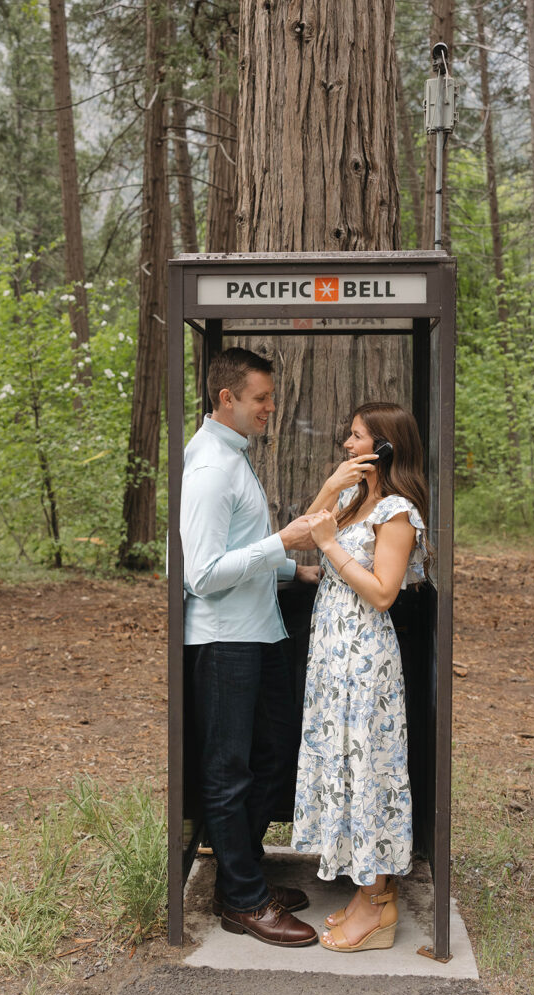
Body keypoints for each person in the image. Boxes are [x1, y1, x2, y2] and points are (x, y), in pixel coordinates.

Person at [181, 347, 320, 948]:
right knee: (228, 771)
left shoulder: (233, 457)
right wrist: (281, 543)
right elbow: (201, 574)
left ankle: (245, 874)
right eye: (260, 398)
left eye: (269, 396)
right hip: (225, 642)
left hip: (259, 633)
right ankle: (241, 898)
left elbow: (241, 547)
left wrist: (292, 569)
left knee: (272, 754)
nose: (270, 408)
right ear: (226, 399)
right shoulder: (211, 468)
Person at [292, 402, 428, 952]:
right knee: (344, 766)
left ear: (385, 446)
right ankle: (367, 893)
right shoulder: (354, 500)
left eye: (356, 438)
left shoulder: (396, 511)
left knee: (366, 767)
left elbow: (382, 592)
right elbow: (302, 534)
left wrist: (330, 546)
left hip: (364, 659)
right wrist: (330, 489)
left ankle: (378, 907)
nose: (347, 446)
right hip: (332, 656)